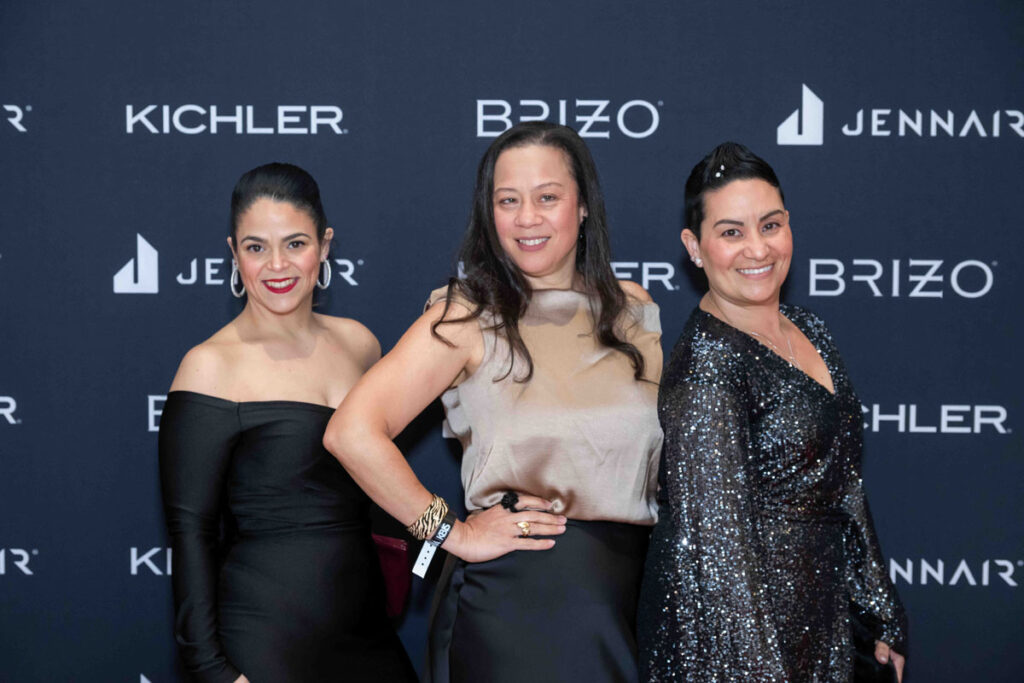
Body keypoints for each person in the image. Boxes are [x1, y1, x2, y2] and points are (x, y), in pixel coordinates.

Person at [324, 121, 664, 683]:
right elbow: (350, 432)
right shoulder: (467, 315)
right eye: (508, 201)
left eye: (547, 197)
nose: (527, 217)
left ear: (583, 206)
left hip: (628, 599)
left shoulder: (632, 309)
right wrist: (451, 532)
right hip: (517, 608)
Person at [637, 142, 907, 682]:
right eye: (731, 232)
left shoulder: (810, 329)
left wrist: (880, 610)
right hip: (736, 646)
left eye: (770, 225)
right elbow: (719, 560)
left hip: (820, 617)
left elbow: (845, 484)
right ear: (694, 247)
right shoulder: (707, 371)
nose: (757, 248)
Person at [158, 163, 416, 683]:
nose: (277, 265)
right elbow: (191, 535)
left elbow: (385, 481)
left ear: (325, 245)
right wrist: (214, 672)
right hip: (265, 643)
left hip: (368, 635)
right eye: (256, 247)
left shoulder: (360, 344)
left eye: (295, 243)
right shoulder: (210, 365)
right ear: (234, 253)